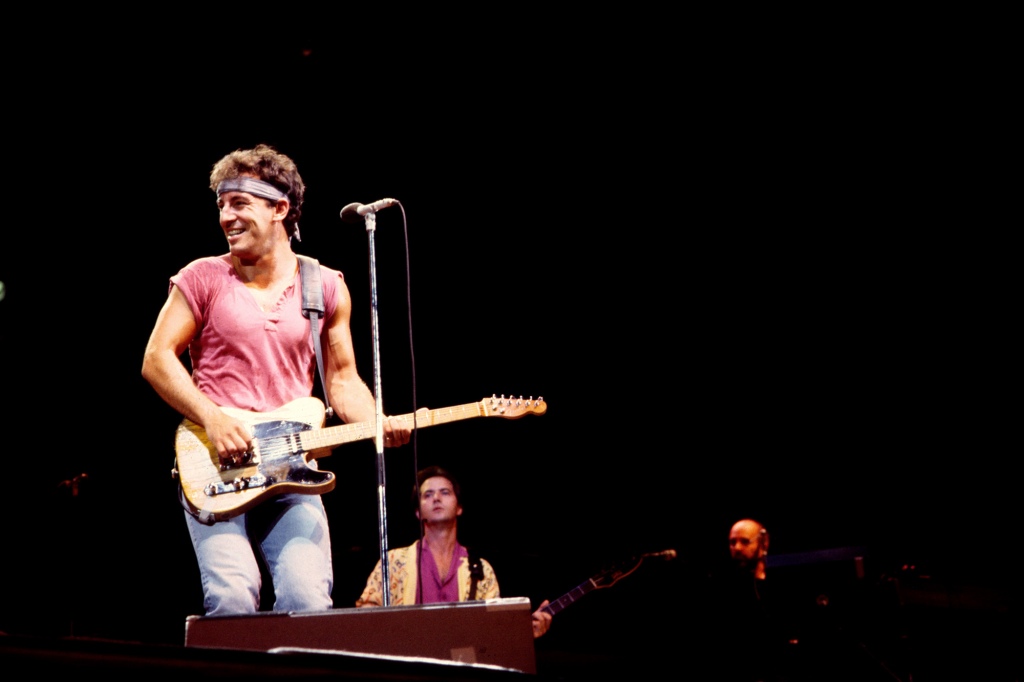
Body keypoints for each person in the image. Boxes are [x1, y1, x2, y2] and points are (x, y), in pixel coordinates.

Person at [141, 144, 418, 617]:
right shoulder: (203, 277)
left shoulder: (325, 285)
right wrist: (213, 417)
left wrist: (376, 420)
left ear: (280, 209)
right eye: (221, 205)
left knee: (308, 600)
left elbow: (343, 379)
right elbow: (156, 360)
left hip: (292, 470)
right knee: (233, 597)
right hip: (217, 465)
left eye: (240, 203)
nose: (226, 216)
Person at [355, 466, 553, 638]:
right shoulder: (393, 561)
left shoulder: (481, 569)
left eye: (445, 492)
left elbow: (494, 632)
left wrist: (523, 631)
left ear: (459, 507)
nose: (437, 498)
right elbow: (364, 616)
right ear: (418, 512)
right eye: (428, 495)